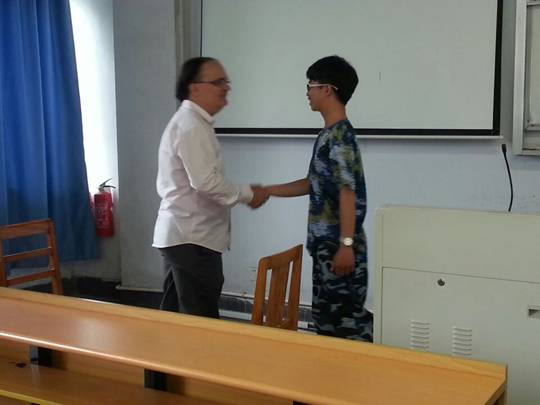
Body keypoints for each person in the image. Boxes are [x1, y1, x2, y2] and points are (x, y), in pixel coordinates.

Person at [261, 56, 372, 341]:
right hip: (327, 249)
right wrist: (268, 190)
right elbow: (313, 183)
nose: (307, 92)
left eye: (310, 85)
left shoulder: (341, 137)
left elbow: (347, 193)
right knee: (326, 325)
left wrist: (346, 245)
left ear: (328, 89)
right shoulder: (328, 134)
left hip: (339, 249)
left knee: (345, 330)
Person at [153, 57, 268, 319]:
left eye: (226, 81)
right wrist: (248, 194)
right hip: (192, 239)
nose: (226, 87)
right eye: (218, 82)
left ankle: (165, 349)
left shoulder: (193, 122)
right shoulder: (191, 126)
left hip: (183, 236)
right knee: (201, 322)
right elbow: (206, 183)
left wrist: (247, 193)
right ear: (195, 88)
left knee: (173, 318)